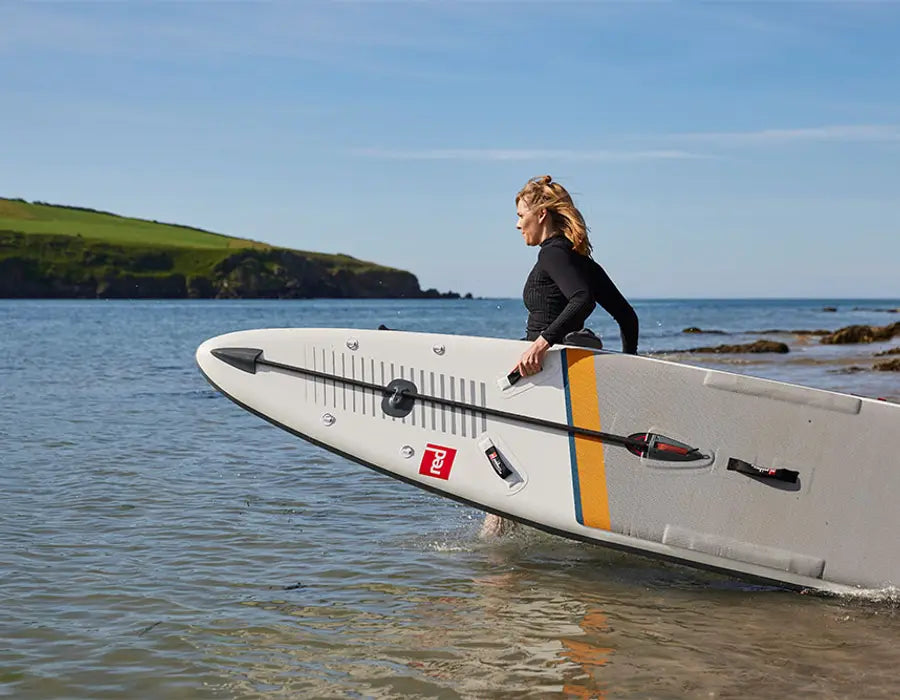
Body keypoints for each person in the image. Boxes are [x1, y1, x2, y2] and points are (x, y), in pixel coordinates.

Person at [479, 175, 639, 539]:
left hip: (540, 372)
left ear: (542, 214)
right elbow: (628, 318)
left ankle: (494, 559)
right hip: (560, 375)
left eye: (521, 215)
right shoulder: (581, 259)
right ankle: (520, 545)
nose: (517, 224)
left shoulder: (552, 253)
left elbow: (580, 298)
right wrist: (631, 369)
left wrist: (541, 343)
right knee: (522, 453)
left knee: (502, 455)